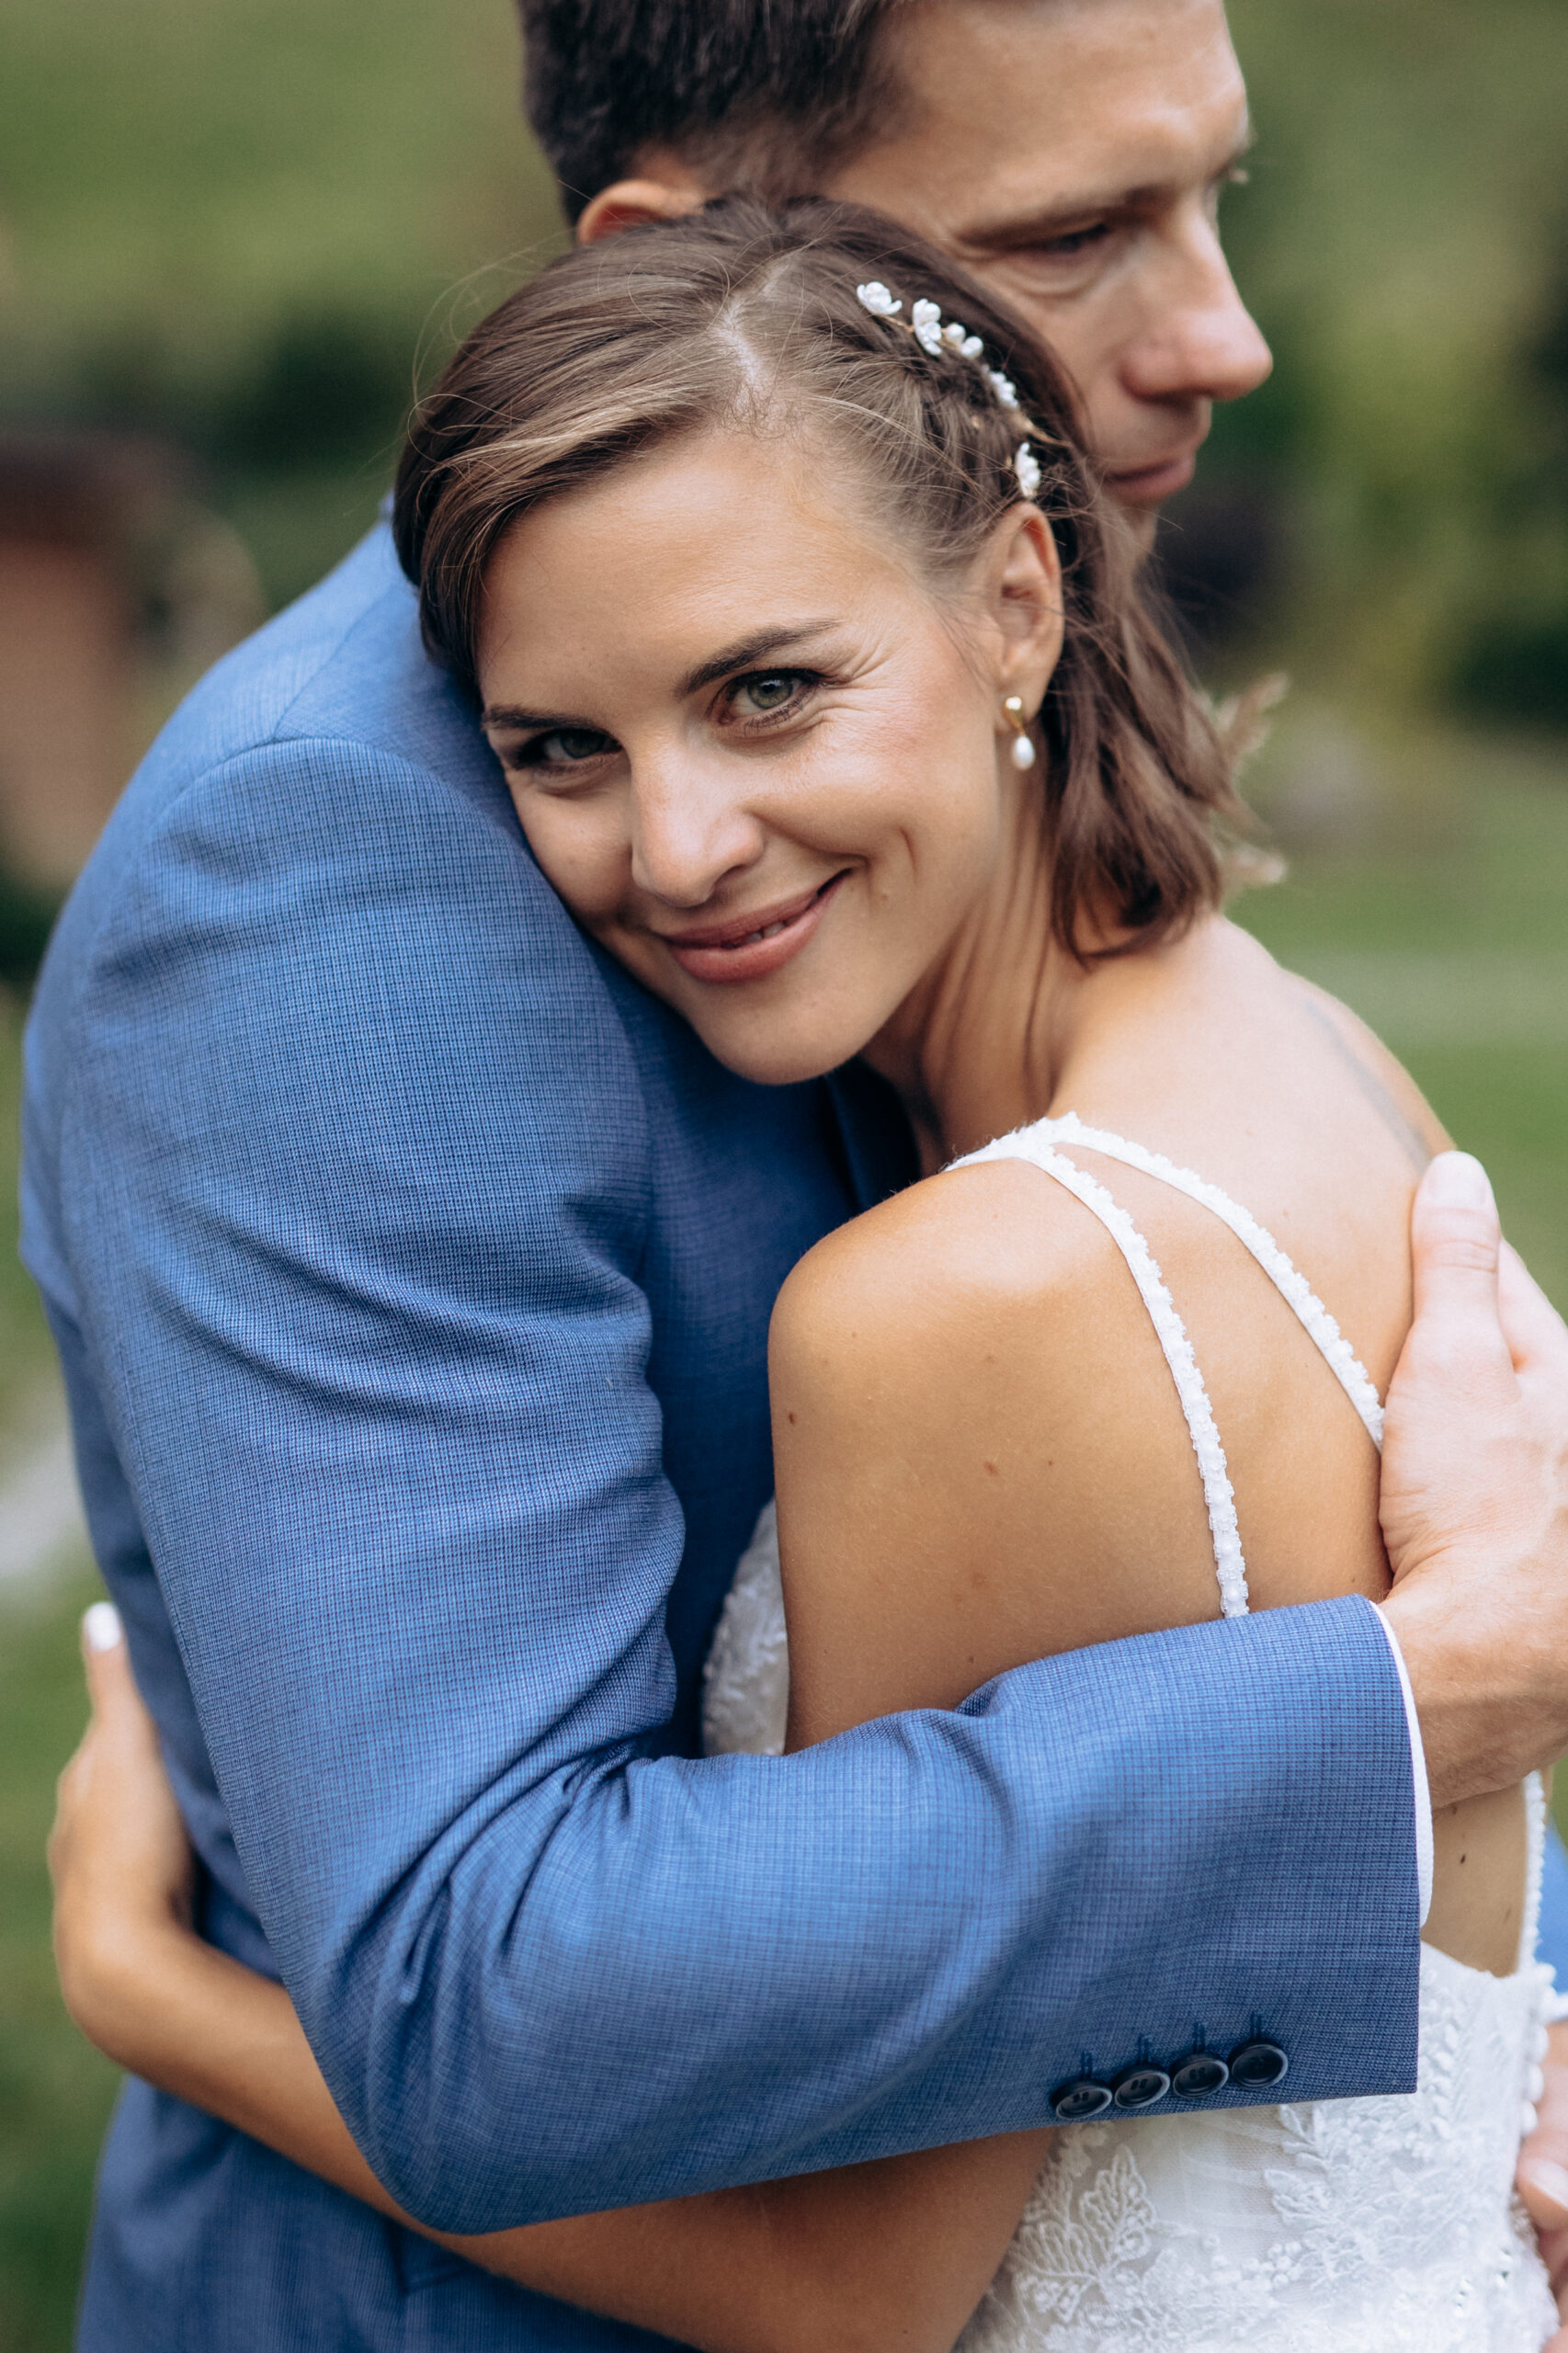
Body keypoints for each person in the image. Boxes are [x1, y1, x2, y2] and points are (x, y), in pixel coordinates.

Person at [24, 4, 1568, 2347]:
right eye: (1075, 231)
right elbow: (479, 1978)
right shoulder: (332, 869)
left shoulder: (1076, 1087)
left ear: (1013, 607)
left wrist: (1500, 1998)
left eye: (1212, 197)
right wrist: (1397, 1717)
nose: (1223, 334)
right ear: (680, 254)